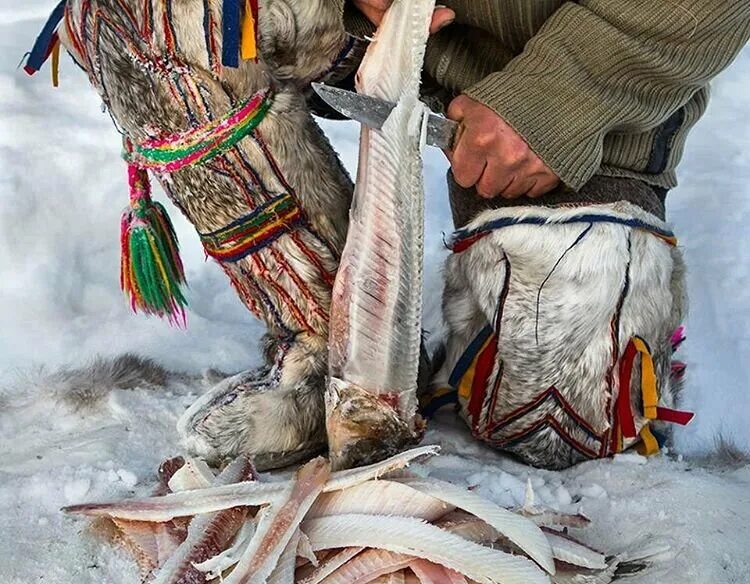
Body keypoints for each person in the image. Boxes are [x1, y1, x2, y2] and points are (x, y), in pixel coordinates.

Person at [34, 0, 749, 469]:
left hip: (566, 67)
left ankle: (546, 236)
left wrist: (561, 96)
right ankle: (329, 343)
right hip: (365, 22)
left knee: (556, 419)